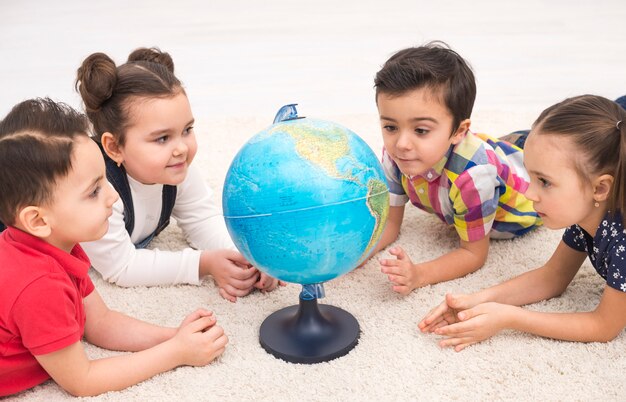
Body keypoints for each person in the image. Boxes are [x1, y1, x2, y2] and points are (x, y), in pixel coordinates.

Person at [0, 98, 228, 396]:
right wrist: (175, 354)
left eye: (105, 181)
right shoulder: (39, 287)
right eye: (94, 191)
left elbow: (99, 324)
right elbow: (83, 380)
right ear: (38, 220)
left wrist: (173, 337)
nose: (112, 196)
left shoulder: (58, 243)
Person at [418, 94, 626, 351]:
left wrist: (510, 318)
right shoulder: (587, 214)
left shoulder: (622, 241)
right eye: (531, 175)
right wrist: (477, 301)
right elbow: (552, 278)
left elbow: (603, 326)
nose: (528, 193)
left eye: (545, 182)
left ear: (601, 188)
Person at [75, 47, 281, 302]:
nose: (181, 148)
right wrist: (203, 264)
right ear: (115, 147)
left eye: (187, 130)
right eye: (162, 138)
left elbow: (202, 218)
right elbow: (121, 266)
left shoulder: (175, 166)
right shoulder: (97, 189)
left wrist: (245, 256)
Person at [370, 42, 541, 294]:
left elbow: (473, 254)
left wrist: (419, 275)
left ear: (459, 131)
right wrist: (346, 259)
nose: (402, 144)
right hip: (497, 150)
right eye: (391, 127)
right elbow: (390, 226)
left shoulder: (474, 178)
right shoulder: (396, 156)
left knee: (595, 138)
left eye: (420, 130)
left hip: (528, 177)